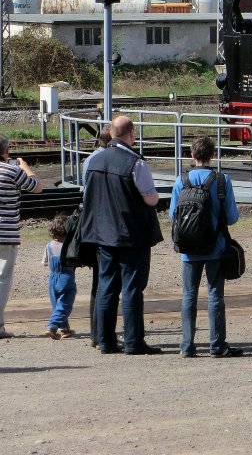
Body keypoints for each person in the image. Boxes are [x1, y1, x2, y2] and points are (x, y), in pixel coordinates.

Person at [79, 116, 163, 355]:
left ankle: (105, 341)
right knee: (132, 287)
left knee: (106, 286)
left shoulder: (93, 161)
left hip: (102, 234)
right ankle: (133, 341)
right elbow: (150, 197)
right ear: (131, 134)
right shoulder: (135, 163)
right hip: (131, 235)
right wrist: (154, 198)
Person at [169, 135, 242, 358]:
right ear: (212, 155)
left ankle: (187, 346)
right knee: (214, 295)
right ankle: (217, 345)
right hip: (215, 248)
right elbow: (231, 217)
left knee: (189, 295)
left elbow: (173, 214)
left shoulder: (182, 181)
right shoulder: (222, 180)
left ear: (192, 155)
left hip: (188, 250)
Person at [0, 135, 43, 338]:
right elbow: (37, 187)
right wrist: (25, 167)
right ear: (5, 151)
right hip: (5, 237)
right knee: (1, 279)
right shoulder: (12, 171)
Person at [79, 128, 110, 348]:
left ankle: (95, 333)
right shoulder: (104, 160)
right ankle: (102, 334)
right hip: (103, 225)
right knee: (105, 282)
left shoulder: (88, 160)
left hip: (90, 225)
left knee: (96, 282)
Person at [42, 213, 77, 339]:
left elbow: (45, 263)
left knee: (58, 305)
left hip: (52, 279)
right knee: (65, 304)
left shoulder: (49, 245)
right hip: (66, 278)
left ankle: (65, 329)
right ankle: (52, 326)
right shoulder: (68, 246)